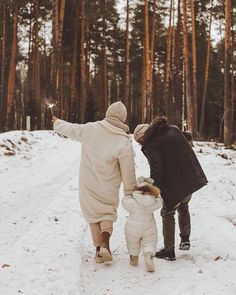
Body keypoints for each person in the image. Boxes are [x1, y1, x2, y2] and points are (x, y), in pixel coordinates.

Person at [52, 101, 136, 263]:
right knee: (107, 213)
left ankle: (99, 249)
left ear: (108, 112)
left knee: (92, 214)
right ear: (123, 119)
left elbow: (71, 129)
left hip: (88, 182)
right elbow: (128, 169)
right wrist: (129, 191)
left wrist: (57, 123)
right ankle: (105, 242)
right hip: (109, 183)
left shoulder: (91, 129)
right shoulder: (123, 141)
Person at [133, 116, 208, 261]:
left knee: (167, 212)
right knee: (184, 205)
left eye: (139, 140)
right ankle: (185, 239)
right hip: (190, 176)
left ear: (143, 136)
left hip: (174, 182)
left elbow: (157, 169)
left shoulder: (151, 144)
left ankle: (169, 250)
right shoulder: (172, 129)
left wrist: (151, 188)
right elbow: (187, 138)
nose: (140, 143)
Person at [122, 176, 162, 272]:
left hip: (133, 227)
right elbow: (160, 202)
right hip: (149, 227)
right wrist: (157, 196)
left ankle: (134, 258)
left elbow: (124, 202)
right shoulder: (153, 202)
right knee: (149, 242)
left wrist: (128, 195)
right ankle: (148, 257)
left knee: (132, 242)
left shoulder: (132, 202)